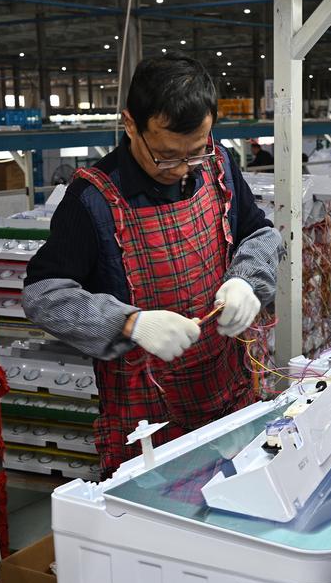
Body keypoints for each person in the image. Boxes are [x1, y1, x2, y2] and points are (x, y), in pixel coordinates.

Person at [22, 53, 282, 475]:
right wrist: (130, 324)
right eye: (165, 155)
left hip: (228, 395)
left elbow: (260, 233)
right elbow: (42, 296)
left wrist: (248, 281)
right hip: (146, 424)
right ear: (130, 125)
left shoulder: (218, 165)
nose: (180, 169)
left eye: (193, 153)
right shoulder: (91, 201)